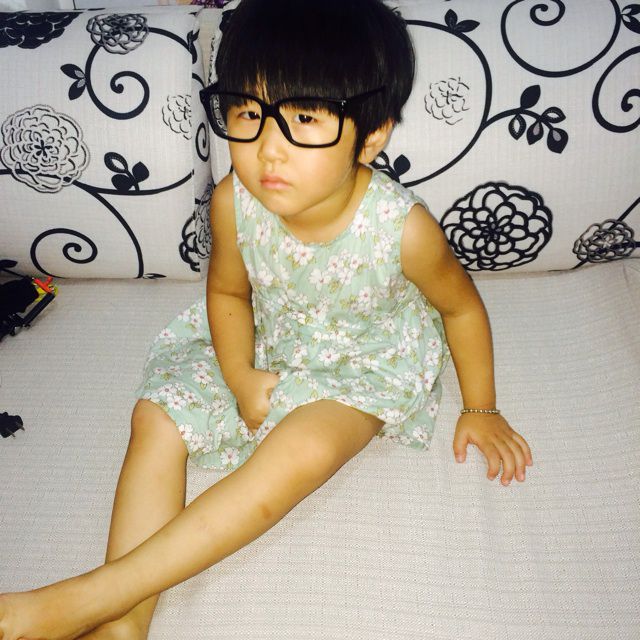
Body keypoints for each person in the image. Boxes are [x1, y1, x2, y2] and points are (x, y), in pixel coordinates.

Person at [0, 0, 533, 638]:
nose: (268, 150)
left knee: (304, 449)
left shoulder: (404, 229)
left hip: (362, 363)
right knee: (156, 415)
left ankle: (89, 598)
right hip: (266, 340)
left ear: (371, 134)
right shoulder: (233, 201)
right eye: (249, 114)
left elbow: (461, 307)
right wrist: (238, 373)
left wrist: (482, 407)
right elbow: (229, 293)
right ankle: (123, 626)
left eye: (304, 118)